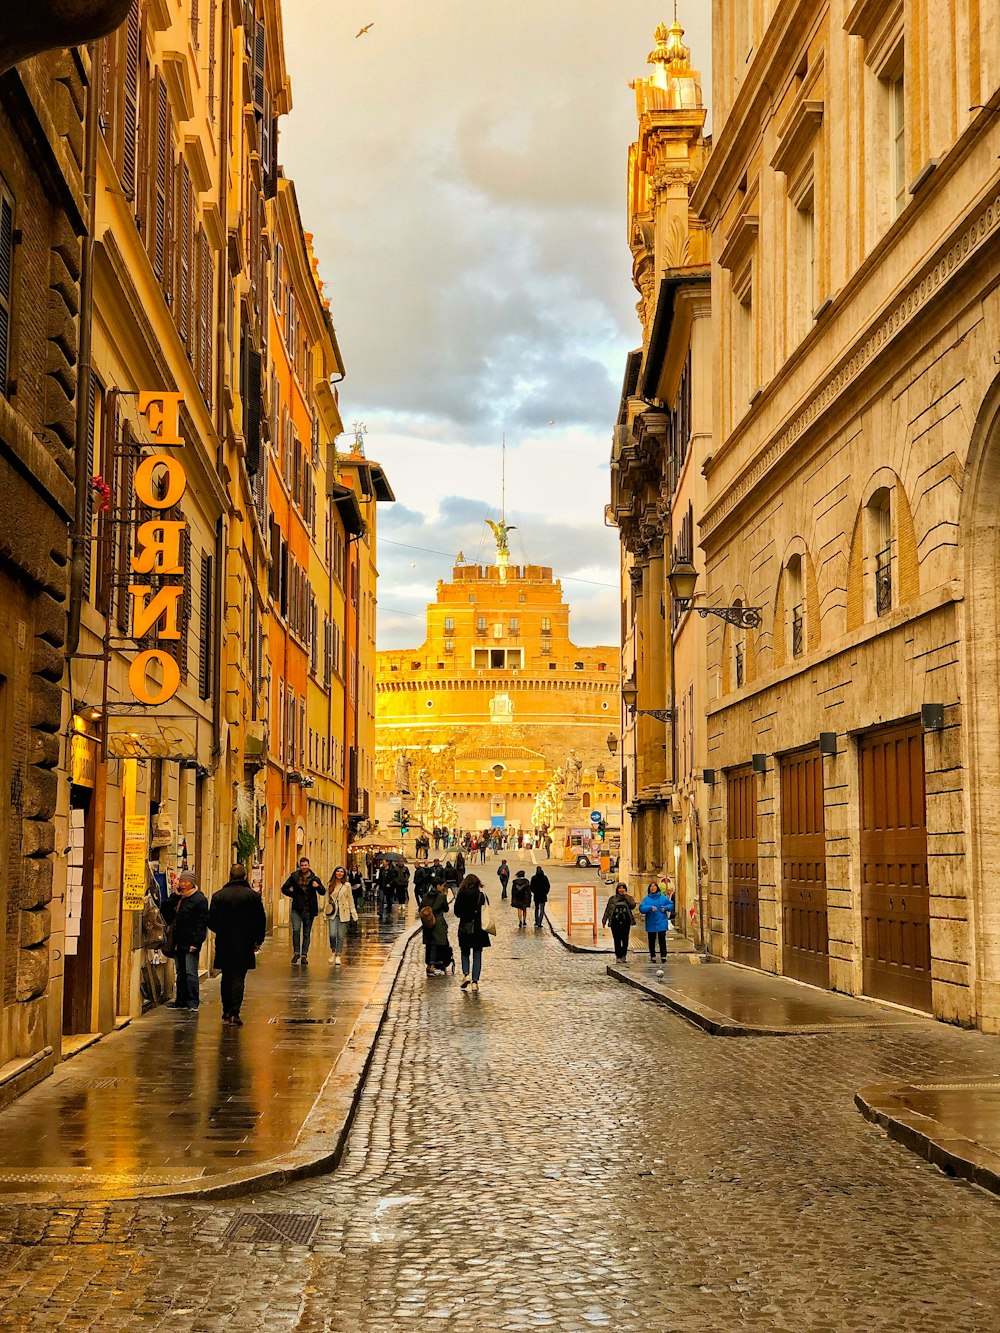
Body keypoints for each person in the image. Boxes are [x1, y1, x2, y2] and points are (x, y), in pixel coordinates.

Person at [208, 863, 267, 1025]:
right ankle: (235, 1012)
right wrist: (257, 940)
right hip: (245, 943)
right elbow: (260, 920)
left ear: (230, 876)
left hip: (224, 942)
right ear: (245, 876)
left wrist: (222, 930)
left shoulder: (218, 895)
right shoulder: (253, 897)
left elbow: (211, 921)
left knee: (226, 976)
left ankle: (226, 1011)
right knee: (238, 977)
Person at [163, 869, 209, 1010]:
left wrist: (196, 943)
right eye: (181, 881)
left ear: (192, 883)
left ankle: (193, 1002)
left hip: (190, 943)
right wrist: (174, 896)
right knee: (180, 972)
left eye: (185, 882)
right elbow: (165, 911)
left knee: (190, 972)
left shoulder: (199, 899)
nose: (183, 884)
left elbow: (202, 924)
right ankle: (180, 1001)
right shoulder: (179, 898)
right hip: (177, 941)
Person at [280, 857, 326, 964]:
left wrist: (317, 886)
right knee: (296, 930)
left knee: (306, 933)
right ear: (299, 866)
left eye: (306, 865)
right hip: (297, 908)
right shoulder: (294, 876)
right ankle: (296, 953)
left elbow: (323, 891)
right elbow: (284, 888)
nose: (304, 867)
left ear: (309, 865)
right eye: (302, 865)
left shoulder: (314, 878)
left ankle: (304, 955)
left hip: (309, 909)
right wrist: (293, 895)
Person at [453, 873, 491, 993]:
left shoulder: (461, 895)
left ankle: (466, 974)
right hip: (479, 929)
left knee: (465, 952)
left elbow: (456, 912)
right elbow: (487, 911)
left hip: (465, 927)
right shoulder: (481, 896)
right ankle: (475, 982)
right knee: (477, 955)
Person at [326, 865, 359, 965]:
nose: (339, 873)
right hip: (333, 912)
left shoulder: (347, 885)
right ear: (335, 873)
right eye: (338, 871)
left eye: (341, 872)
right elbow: (326, 900)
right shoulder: (330, 884)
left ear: (344, 874)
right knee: (332, 934)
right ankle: (333, 951)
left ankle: (338, 955)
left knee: (340, 935)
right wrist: (324, 913)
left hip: (343, 912)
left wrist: (353, 912)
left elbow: (350, 899)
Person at [638, 879, 673, 964]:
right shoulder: (646, 899)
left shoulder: (662, 897)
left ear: (657, 888)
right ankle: (652, 955)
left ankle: (663, 955)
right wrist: (650, 908)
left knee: (662, 939)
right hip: (651, 922)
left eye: (654, 886)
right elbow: (641, 908)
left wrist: (666, 908)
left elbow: (671, 904)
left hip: (661, 921)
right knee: (651, 940)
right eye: (651, 887)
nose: (653, 888)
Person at [419, 880, 450, 976]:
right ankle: (432, 966)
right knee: (436, 945)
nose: (443, 887)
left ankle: (428, 964)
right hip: (438, 923)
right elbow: (446, 909)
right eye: (442, 885)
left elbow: (421, 908)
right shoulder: (441, 896)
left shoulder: (425, 896)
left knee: (429, 944)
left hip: (427, 922)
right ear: (438, 886)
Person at [602, 882, 637, 963]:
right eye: (620, 888)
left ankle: (624, 954)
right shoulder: (612, 899)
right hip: (615, 921)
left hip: (625, 921)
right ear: (617, 889)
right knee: (617, 939)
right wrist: (604, 920)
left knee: (625, 939)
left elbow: (633, 905)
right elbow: (608, 910)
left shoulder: (628, 898)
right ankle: (618, 955)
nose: (621, 890)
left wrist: (626, 896)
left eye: (623, 888)